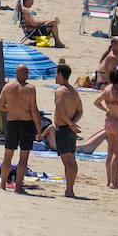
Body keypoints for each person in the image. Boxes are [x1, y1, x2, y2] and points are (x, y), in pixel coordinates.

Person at [38, 63, 83, 197]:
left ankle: (69, 190)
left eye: (56, 73)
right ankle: (70, 189)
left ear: (61, 74)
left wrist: (69, 124)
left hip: (63, 129)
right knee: (71, 160)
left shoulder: (60, 91)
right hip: (69, 129)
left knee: (68, 161)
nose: (54, 76)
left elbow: (60, 111)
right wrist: (73, 123)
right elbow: (80, 111)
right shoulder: (74, 91)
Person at [0, 64, 38, 193]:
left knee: (7, 156)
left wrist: (11, 108)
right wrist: (39, 126)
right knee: (23, 157)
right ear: (25, 74)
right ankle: (18, 187)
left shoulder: (8, 87)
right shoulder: (30, 88)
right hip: (26, 123)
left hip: (12, 123)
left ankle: (3, 184)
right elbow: (33, 109)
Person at [93, 65, 118, 189]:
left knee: (110, 152)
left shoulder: (107, 89)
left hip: (108, 121)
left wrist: (106, 109)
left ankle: (111, 179)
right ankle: (113, 183)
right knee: (117, 153)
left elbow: (96, 102)